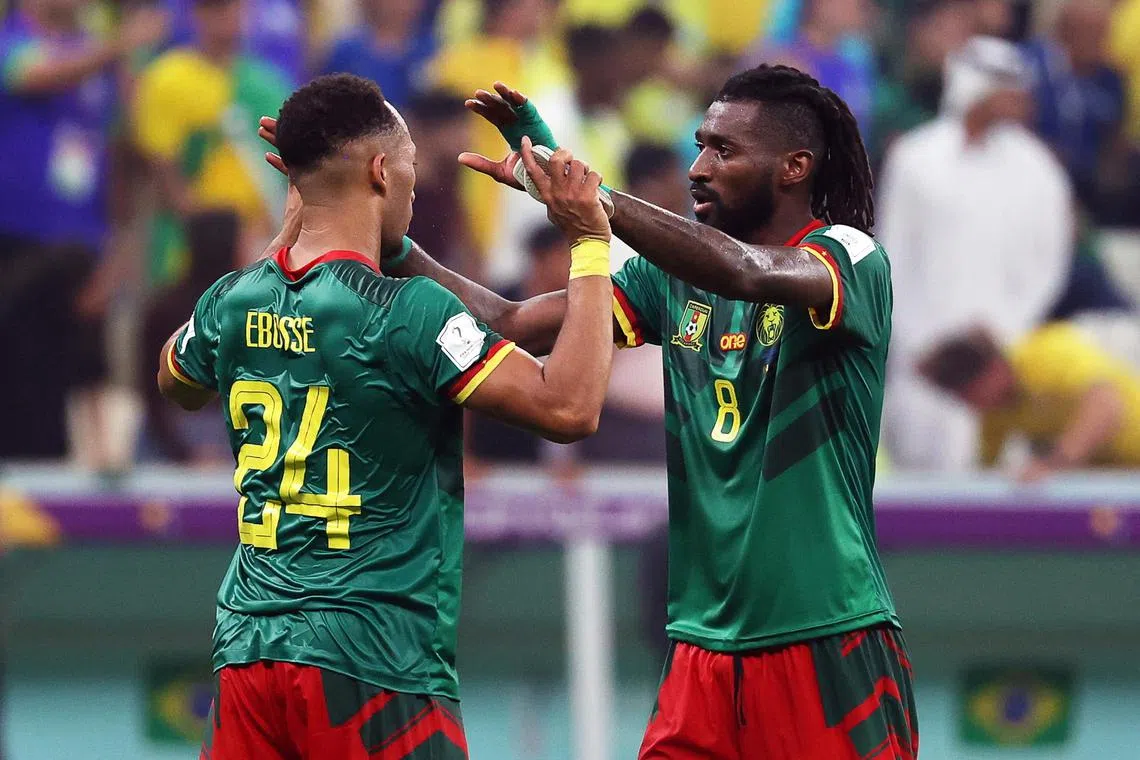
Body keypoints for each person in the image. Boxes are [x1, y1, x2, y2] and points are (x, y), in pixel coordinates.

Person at [371, 66, 918, 758]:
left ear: (794, 167)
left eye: (724, 151)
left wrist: (595, 201)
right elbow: (508, 321)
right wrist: (388, 243)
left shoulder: (848, 257)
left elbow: (747, 272)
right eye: (699, 145)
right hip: (699, 653)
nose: (697, 168)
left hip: (825, 639)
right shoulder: (668, 281)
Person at [158, 73, 616, 759]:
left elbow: (177, 378)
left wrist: (302, 208)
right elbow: (570, 406)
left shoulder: (234, 300)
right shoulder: (408, 313)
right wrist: (589, 241)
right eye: (407, 168)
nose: (412, 184)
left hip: (249, 655)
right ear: (379, 170)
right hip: (373, 662)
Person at [877, 35, 1073, 471]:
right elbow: (892, 256)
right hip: (921, 360)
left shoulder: (1039, 170)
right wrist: (918, 342)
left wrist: (1004, 333)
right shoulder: (915, 158)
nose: (1017, 98)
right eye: (1005, 86)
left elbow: (1049, 266)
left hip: (999, 361)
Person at [0, 0, 166, 461]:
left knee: (81, 378)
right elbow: (34, 76)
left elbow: (117, 162)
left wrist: (116, 260)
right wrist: (122, 43)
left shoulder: (99, 59)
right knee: (19, 388)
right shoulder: (13, 41)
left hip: (81, 253)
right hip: (15, 249)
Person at [919, 323, 1140, 480]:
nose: (971, 406)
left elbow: (1107, 405)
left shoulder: (1047, 352)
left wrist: (1054, 463)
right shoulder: (995, 415)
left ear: (992, 369)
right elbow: (985, 476)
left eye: (969, 394)